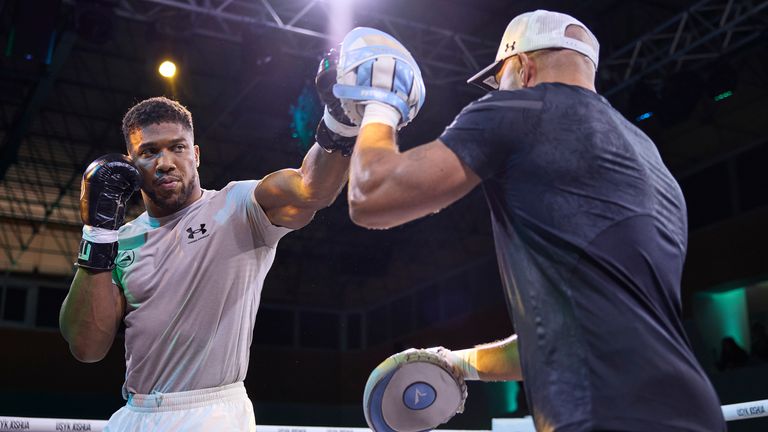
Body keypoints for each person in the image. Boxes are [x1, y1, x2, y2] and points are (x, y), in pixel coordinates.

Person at [344, 10, 726, 432]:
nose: (498, 92)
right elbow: (581, 334)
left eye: (500, 77)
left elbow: (372, 194)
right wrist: (457, 363)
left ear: (523, 68)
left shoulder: (522, 109)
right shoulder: (650, 158)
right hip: (694, 415)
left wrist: (380, 102)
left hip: (602, 417)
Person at [59, 70, 353, 431]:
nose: (164, 162)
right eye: (148, 152)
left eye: (176, 147)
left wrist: (338, 126)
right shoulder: (119, 241)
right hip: (134, 412)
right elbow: (87, 348)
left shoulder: (239, 206)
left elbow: (311, 190)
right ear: (130, 164)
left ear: (195, 154)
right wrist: (97, 234)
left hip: (209, 412)